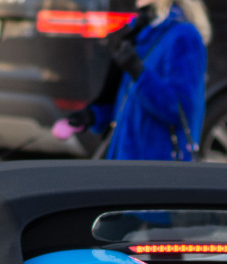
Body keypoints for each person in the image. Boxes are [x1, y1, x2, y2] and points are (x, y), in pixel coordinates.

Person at [52, 0, 209, 160]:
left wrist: (138, 72)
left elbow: (180, 109)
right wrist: (92, 116)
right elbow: (128, 102)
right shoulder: (142, 32)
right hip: (129, 161)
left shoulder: (184, 36)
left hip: (158, 166)